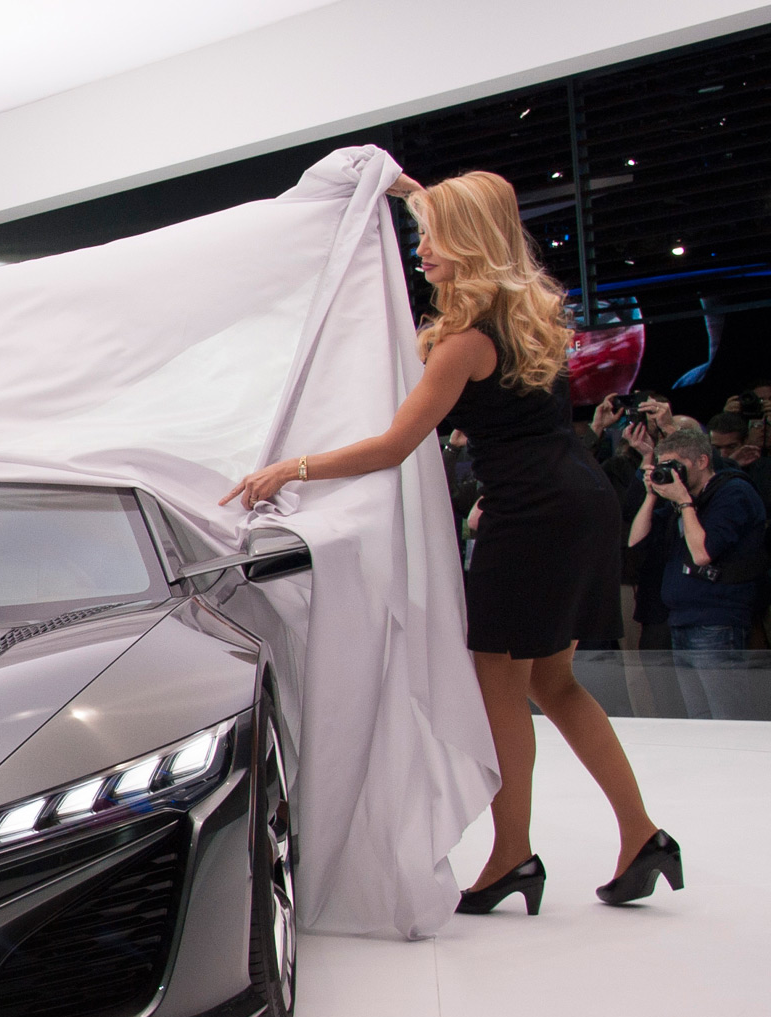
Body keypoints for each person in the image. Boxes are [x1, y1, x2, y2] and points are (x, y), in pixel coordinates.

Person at [223, 169, 677, 911]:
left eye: (432, 238)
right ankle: (642, 836)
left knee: (501, 687)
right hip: (577, 500)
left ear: (468, 243)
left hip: (530, 518)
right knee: (554, 683)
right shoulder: (529, 317)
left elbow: (393, 446)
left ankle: (512, 855)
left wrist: (290, 469)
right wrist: (406, 191)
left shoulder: (464, 342)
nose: (421, 250)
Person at [627, 429, 767, 718]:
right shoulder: (684, 500)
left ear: (702, 461)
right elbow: (635, 542)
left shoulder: (733, 492)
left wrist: (684, 502)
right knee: (699, 719)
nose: (671, 473)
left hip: (717, 621)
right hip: (681, 619)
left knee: (726, 716)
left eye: (676, 465)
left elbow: (702, 553)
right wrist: (652, 496)